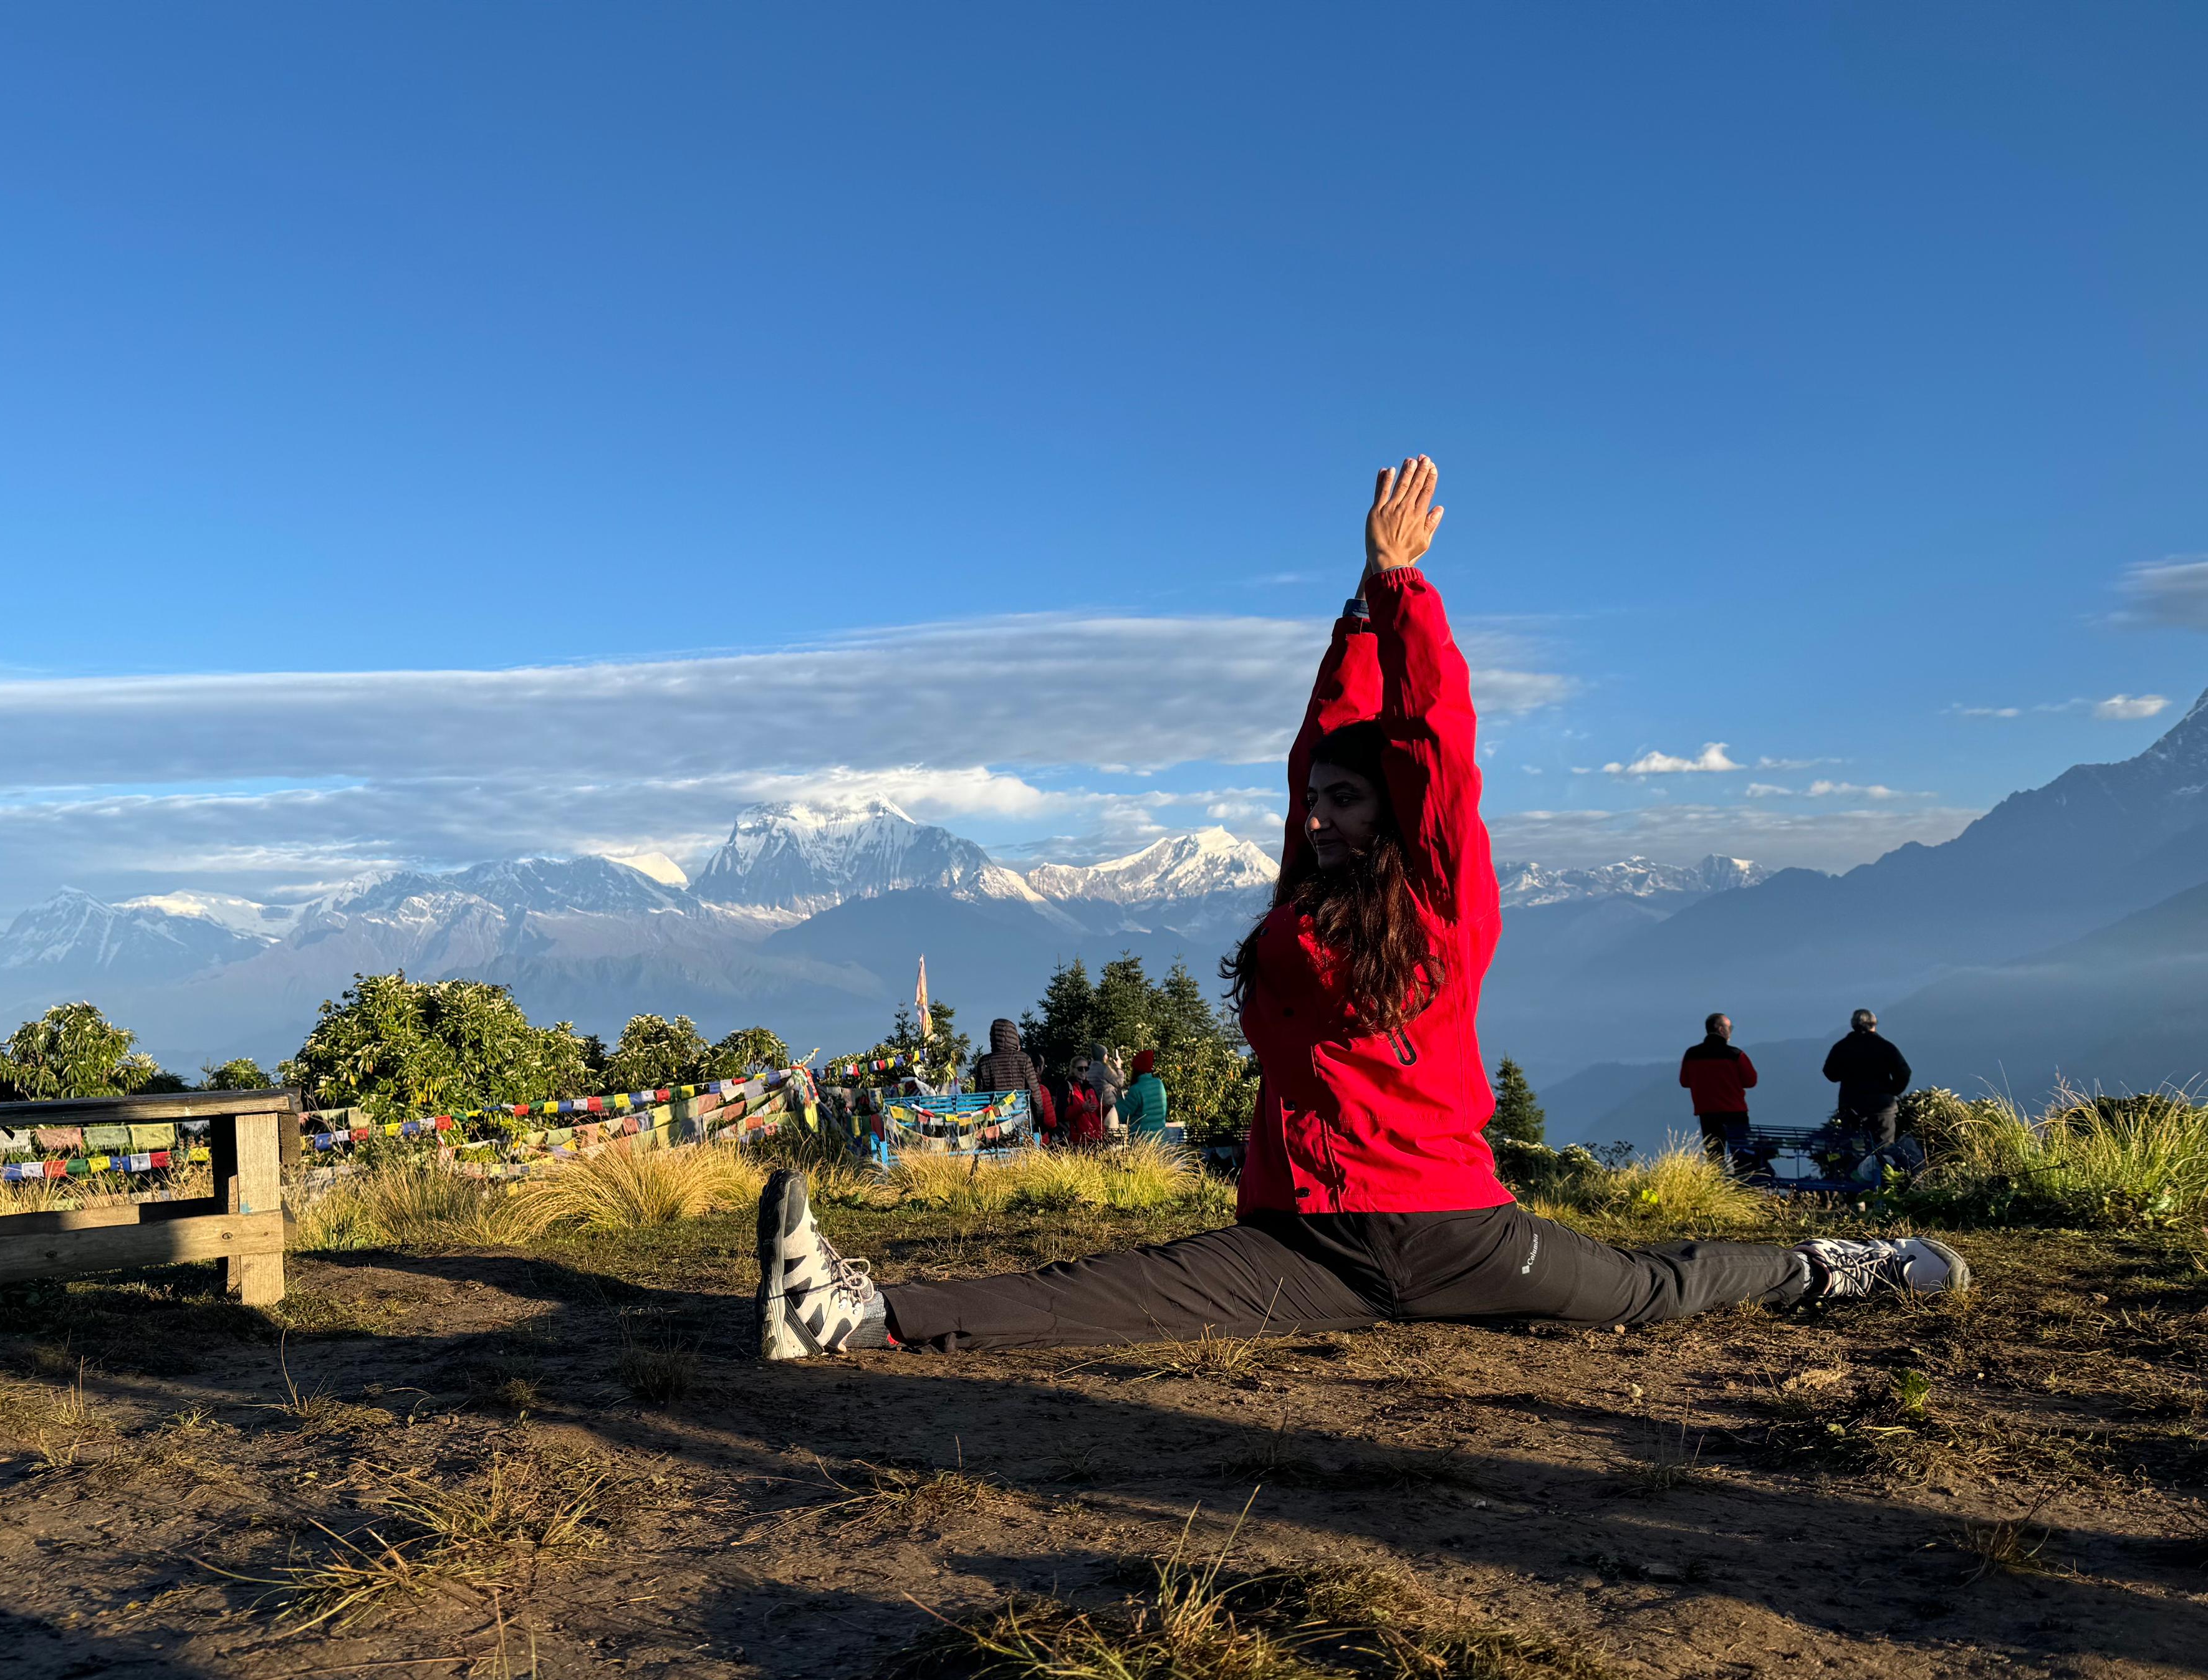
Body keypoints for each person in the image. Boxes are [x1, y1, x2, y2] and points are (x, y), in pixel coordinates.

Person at [754, 456, 1967, 1360]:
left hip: (1453, 1228)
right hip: (1306, 1233)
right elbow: (1309, 762)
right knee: (1111, 1289)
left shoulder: (1445, 900)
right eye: (1317, 802)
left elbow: (1438, 743)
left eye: (1350, 801)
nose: (1324, 816)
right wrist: (1349, 617)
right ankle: (850, 1317)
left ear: (1395, 816)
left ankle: (1839, 1264)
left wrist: (1401, 592)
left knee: (1650, 1287)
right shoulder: (1300, 909)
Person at [1823, 1009, 1913, 1149]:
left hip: (1852, 1106)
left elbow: (1830, 1073)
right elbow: (1904, 1072)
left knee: (1852, 1150)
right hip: (1882, 1108)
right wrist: (1892, 1091)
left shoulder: (1841, 1047)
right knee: (1883, 1151)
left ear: (1854, 1025)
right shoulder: (1886, 1047)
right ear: (1873, 1024)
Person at [1678, 1014, 1757, 1164]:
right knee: (1742, 1155)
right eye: (1730, 1028)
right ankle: (1742, 1184)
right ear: (1721, 1030)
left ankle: (1717, 1183)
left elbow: (1684, 1081)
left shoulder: (1692, 1054)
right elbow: (1751, 1081)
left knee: (1715, 1156)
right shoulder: (1736, 1055)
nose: (1731, 1032)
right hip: (1735, 1112)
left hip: (1707, 1113)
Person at [970, 1017, 1039, 1100]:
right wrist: (1039, 1113)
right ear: (1014, 1037)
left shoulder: (984, 1062)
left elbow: (979, 1097)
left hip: (994, 1112)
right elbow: (1035, 1094)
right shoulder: (1024, 1059)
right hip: (1021, 1111)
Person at [1121, 1050, 1169, 1136]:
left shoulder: (1136, 1089)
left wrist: (1118, 1098)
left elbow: (1123, 1116)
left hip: (1142, 1142)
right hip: (1161, 1140)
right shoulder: (1159, 1084)